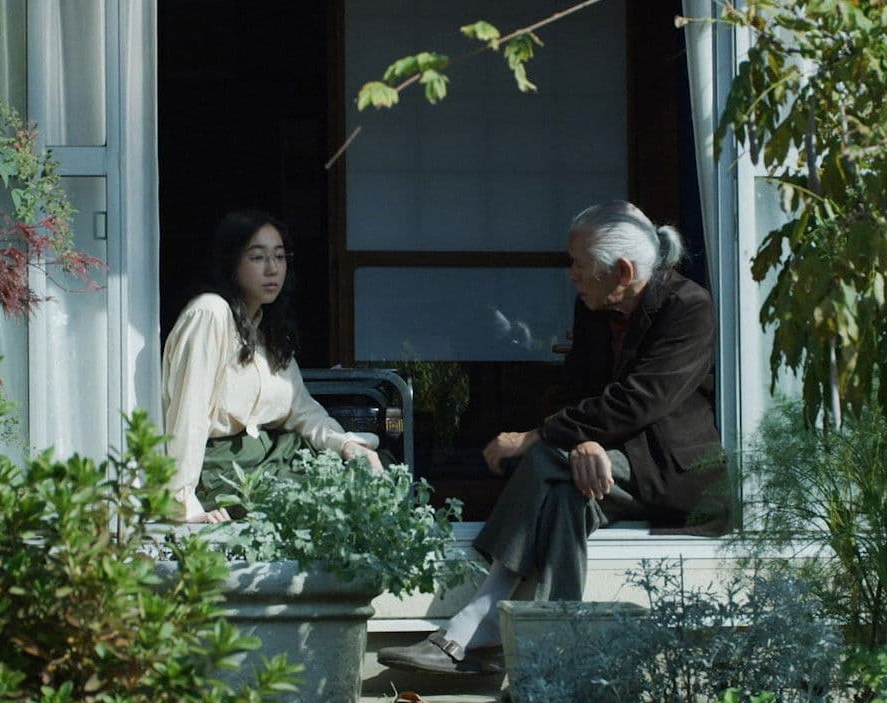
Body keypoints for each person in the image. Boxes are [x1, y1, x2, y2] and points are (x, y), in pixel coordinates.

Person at [377, 200, 728, 675]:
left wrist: (540, 437)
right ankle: (550, 667)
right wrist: (582, 442)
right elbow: (573, 388)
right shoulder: (595, 306)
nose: (571, 274)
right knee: (565, 498)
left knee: (544, 461)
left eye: (580, 264)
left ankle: (476, 621)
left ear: (623, 271)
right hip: (604, 466)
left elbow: (641, 400)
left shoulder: (688, 306)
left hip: (670, 470)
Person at [161, 209, 383, 523]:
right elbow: (189, 413)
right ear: (231, 262)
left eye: (279, 257)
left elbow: (302, 410)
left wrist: (346, 444)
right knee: (326, 501)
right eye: (258, 257)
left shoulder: (268, 329)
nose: (272, 269)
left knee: (374, 472)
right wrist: (182, 503)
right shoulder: (210, 314)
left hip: (270, 457)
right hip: (219, 468)